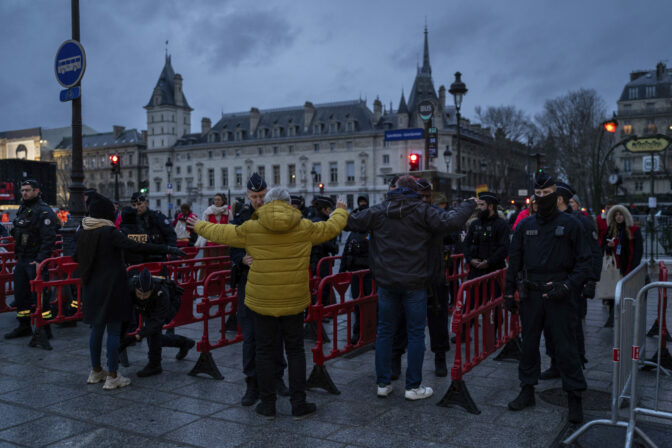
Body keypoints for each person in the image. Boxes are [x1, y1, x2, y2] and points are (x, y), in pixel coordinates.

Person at [187, 186, 349, 419]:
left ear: (268, 202)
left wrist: (198, 224)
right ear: (288, 203)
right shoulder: (304, 226)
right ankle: (298, 403)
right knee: (294, 351)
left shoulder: (252, 227)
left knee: (263, 351)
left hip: (261, 300)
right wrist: (340, 211)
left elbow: (221, 232)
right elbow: (332, 227)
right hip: (294, 300)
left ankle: (267, 404)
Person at [346, 175, 475, 400]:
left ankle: (383, 383)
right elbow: (452, 222)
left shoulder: (380, 209)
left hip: (387, 282)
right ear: (415, 190)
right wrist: (469, 204)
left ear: (395, 189)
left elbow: (352, 222)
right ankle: (413, 387)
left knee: (385, 331)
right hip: (415, 282)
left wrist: (339, 210)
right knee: (416, 333)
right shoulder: (423, 210)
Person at [504, 173, 591, 424]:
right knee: (529, 345)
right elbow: (514, 262)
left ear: (556, 195)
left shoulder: (572, 224)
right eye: (538, 194)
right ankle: (527, 389)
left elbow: (584, 263)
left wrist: (568, 285)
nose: (542, 198)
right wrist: (509, 292)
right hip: (532, 293)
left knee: (566, 347)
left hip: (560, 293)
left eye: (547, 193)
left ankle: (575, 397)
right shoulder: (524, 226)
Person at [75, 192, 184, 390]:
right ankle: (113, 375)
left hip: (91, 287)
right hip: (113, 286)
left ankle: (96, 370)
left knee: (96, 330)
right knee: (114, 331)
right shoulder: (110, 232)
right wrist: (168, 249)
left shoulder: (82, 231)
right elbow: (137, 246)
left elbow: (75, 257)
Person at [229, 173, 288, 407]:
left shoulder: (277, 216)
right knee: (251, 336)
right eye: (254, 196)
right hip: (248, 281)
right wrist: (241, 259)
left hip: (273, 280)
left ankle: (277, 378)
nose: (258, 200)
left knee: (276, 333)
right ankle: (251, 383)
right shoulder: (242, 218)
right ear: (247, 196)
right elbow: (232, 246)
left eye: (262, 196)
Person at [540, 182, 602, 379]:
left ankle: (576, 362)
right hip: (550, 284)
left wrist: (591, 280)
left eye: (548, 194)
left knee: (571, 327)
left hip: (573, 284)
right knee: (550, 327)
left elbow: (594, 253)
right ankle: (555, 363)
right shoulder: (546, 220)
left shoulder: (579, 222)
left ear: (559, 199)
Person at [4, 179, 59, 343]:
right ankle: (24, 325)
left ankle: (44, 327)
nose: (24, 193)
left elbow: (48, 239)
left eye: (27, 190)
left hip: (35, 261)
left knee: (40, 296)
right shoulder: (23, 208)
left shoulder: (43, 211)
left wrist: (39, 260)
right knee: (21, 295)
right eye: (22, 190)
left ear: (36, 191)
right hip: (21, 259)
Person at [123, 269, 195, 377]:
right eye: (139, 293)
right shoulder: (130, 286)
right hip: (148, 307)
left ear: (152, 289)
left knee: (153, 332)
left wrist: (137, 336)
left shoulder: (162, 292)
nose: (142, 297)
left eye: (145, 294)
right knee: (152, 335)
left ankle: (155, 365)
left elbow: (156, 323)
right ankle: (184, 343)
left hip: (170, 304)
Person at [339, 194, 372, 345]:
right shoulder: (355, 233)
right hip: (356, 273)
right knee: (359, 304)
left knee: (368, 304)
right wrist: (342, 271)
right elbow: (346, 251)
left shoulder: (372, 232)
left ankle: (366, 332)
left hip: (369, 274)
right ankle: (359, 332)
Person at [463, 192, 511, 280]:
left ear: (490, 206)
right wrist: (470, 259)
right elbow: (466, 243)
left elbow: (504, 247)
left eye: (482, 204)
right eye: (478, 205)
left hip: (494, 273)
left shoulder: (501, 224)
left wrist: (489, 261)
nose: (479, 207)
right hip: (476, 272)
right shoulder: (474, 224)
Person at [130, 192, 177, 256]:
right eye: (134, 205)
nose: (136, 207)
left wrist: (172, 253)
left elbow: (170, 235)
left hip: (160, 256)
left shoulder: (157, 217)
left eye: (139, 204)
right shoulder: (132, 220)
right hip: (142, 258)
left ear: (146, 203)